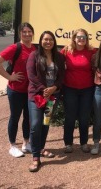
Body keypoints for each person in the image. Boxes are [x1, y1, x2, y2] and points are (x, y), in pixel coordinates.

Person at [0, 22, 36, 158]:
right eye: (24, 32)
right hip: (15, 90)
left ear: (33, 33)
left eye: (29, 31)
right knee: (15, 117)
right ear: (20, 33)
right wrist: (9, 76)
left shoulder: (34, 48)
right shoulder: (15, 48)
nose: (27, 34)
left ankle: (26, 143)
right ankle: (12, 146)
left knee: (28, 117)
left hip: (30, 90)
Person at [26, 31, 65, 172]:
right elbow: (31, 76)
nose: (48, 42)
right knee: (36, 124)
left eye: (50, 40)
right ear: (41, 41)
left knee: (45, 123)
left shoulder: (59, 57)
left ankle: (41, 148)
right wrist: (45, 89)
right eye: (45, 39)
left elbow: (62, 77)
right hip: (36, 96)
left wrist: (54, 88)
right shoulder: (34, 56)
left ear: (54, 42)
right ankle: (36, 157)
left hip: (52, 97)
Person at [61, 29, 96, 154]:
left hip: (87, 89)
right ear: (74, 38)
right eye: (79, 37)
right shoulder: (66, 51)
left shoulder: (92, 51)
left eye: (84, 37)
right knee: (70, 117)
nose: (81, 39)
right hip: (70, 89)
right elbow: (55, 63)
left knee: (84, 117)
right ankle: (68, 143)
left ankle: (84, 143)